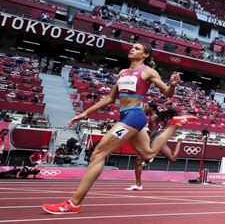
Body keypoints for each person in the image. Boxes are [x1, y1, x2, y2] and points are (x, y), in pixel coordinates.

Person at [42, 43, 197, 214]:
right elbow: (110, 98)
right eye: (132, 47)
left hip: (134, 116)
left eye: (137, 48)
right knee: (148, 153)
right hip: (125, 116)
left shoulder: (148, 71)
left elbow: (167, 93)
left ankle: (73, 203)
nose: (132, 49)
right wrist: (85, 113)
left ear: (145, 55)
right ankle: (175, 124)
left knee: (98, 153)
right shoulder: (123, 73)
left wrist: (173, 85)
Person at [126, 103, 183, 191]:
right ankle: (179, 141)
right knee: (173, 159)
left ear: (151, 108)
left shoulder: (153, 117)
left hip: (155, 139)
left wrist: (146, 145)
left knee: (138, 161)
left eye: (146, 107)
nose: (144, 108)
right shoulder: (157, 116)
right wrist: (165, 105)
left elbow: (152, 132)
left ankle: (138, 184)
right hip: (160, 138)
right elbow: (162, 112)